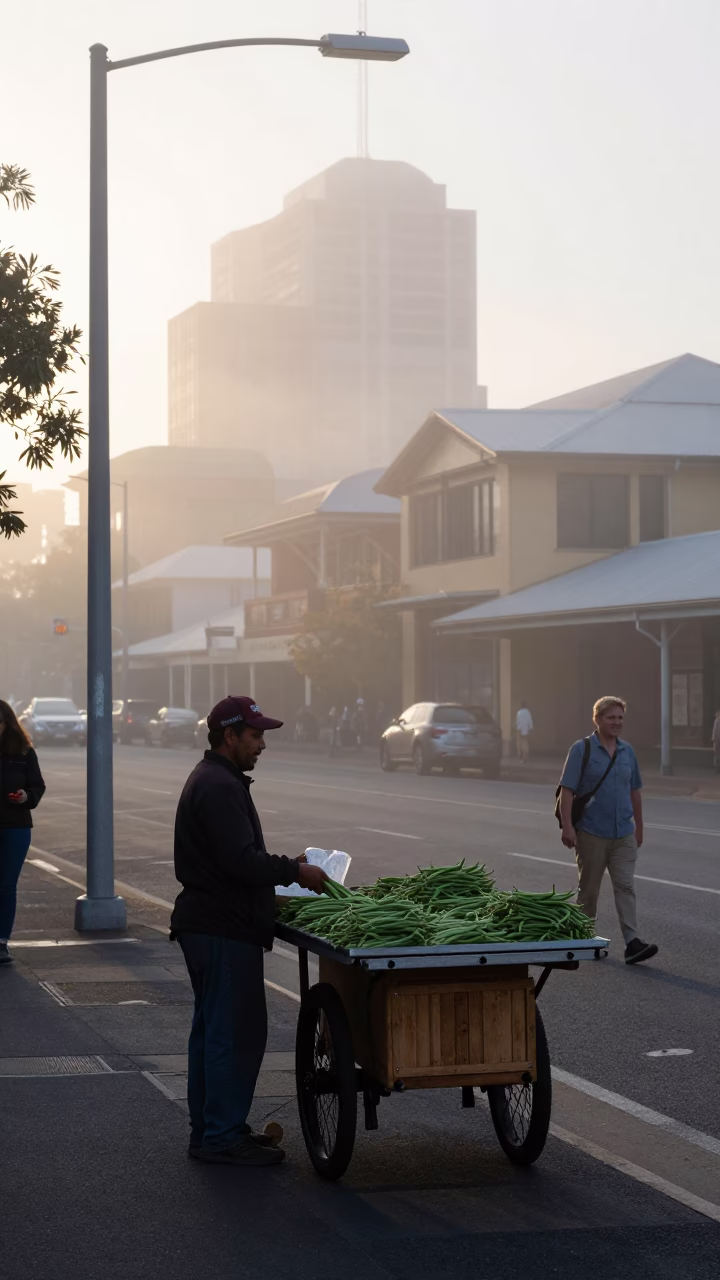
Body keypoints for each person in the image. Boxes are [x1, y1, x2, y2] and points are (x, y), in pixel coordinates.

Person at [171, 695, 328, 1166]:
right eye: (255, 735)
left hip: (214, 924)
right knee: (232, 1036)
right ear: (229, 736)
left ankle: (217, 1129)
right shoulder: (218, 786)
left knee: (215, 1033)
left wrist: (285, 872)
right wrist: (295, 872)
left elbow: (231, 860)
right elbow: (239, 861)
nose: (262, 744)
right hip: (221, 929)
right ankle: (220, 1137)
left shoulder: (220, 780)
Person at [558, 695, 658, 965]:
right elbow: (567, 791)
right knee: (589, 890)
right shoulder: (582, 749)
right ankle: (584, 937)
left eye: (620, 718)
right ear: (598, 719)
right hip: (591, 832)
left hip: (623, 832)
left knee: (626, 886)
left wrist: (639, 827)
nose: (617, 722)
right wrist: (568, 827)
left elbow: (634, 790)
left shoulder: (627, 751)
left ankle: (632, 942)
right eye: (611, 717)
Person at [0, 699, 46, 964]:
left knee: (6, 886)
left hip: (15, 826)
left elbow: (37, 786)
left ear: (7, 724)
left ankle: (2, 941)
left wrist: (25, 797)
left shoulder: (23, 751)